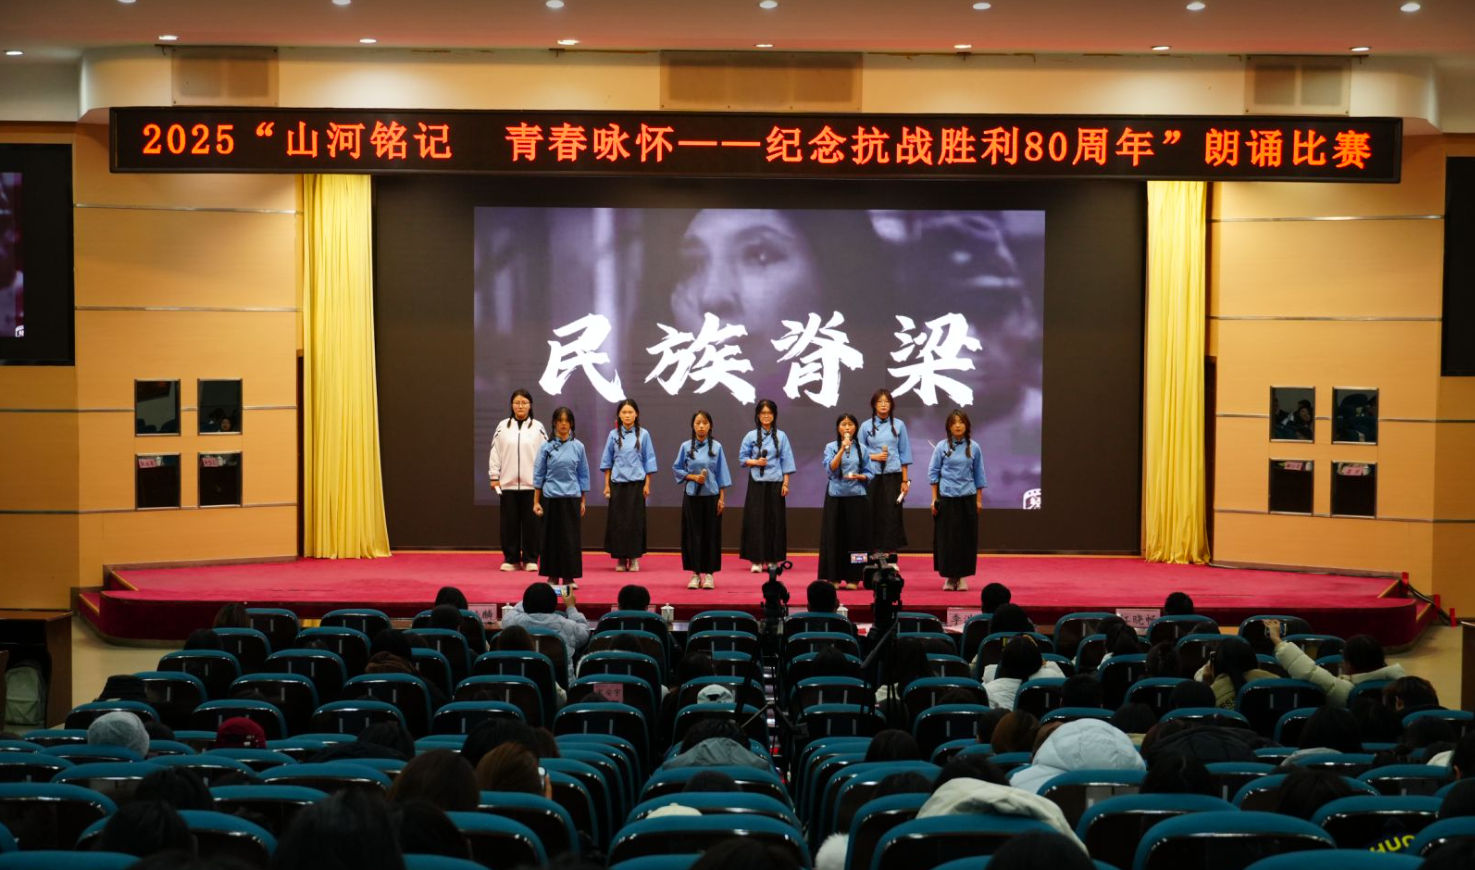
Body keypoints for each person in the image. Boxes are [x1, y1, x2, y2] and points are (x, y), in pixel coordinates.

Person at [1267, 620, 1406, 708]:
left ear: (1349, 665)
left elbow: (1308, 671)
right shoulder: (1404, 685)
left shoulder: (1345, 691)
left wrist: (1276, 638)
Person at [488, 388, 548, 573]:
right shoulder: (502, 427)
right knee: (509, 524)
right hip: (508, 485)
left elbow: (546, 454)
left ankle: (531, 558)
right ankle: (511, 558)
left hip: (532, 486)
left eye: (524, 403)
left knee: (533, 524)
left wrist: (544, 479)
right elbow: (495, 452)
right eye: (517, 403)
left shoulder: (538, 427)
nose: (520, 406)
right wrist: (494, 476)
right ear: (512, 405)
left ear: (530, 406)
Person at [672, 409, 732, 590]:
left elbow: (722, 474)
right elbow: (677, 469)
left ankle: (709, 574)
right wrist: (692, 477)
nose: (701, 426)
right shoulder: (685, 447)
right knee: (693, 535)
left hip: (712, 496)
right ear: (693, 425)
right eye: (698, 423)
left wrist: (722, 499)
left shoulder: (717, 447)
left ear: (710, 426)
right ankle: (695, 574)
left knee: (711, 535)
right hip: (692, 496)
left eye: (704, 423)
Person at [929, 408, 988, 591]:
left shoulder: (974, 447)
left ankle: (961, 577)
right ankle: (949, 577)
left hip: (967, 498)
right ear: (948, 426)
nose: (958, 426)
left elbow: (979, 474)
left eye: (961, 422)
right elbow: (933, 473)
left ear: (967, 425)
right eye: (954, 423)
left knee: (965, 539)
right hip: (947, 498)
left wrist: (978, 500)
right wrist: (934, 499)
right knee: (947, 539)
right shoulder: (941, 447)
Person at [532, 405, 589, 591]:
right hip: (550, 498)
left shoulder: (578, 447)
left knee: (570, 539)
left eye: (566, 421)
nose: (563, 424)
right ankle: (552, 576)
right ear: (554, 423)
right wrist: (536, 501)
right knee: (551, 539)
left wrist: (583, 500)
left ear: (571, 424)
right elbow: (539, 475)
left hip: (571, 498)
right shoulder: (546, 447)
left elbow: (583, 475)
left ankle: (569, 577)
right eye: (560, 421)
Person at [738, 398, 796, 574]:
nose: (766, 416)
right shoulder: (750, 436)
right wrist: (756, 462)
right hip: (757, 483)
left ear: (774, 415)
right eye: (763, 413)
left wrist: (786, 483)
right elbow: (742, 459)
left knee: (774, 521)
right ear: (758, 415)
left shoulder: (782, 436)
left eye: (769, 413)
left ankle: (772, 559)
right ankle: (756, 559)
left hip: (776, 483)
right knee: (756, 520)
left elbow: (787, 461)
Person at [600, 398, 658, 573]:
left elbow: (649, 460)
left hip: (636, 484)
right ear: (619, 415)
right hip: (617, 483)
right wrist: (606, 486)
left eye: (630, 412)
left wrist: (647, 484)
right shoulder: (613, 435)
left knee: (635, 522)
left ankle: (633, 558)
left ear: (636, 414)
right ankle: (620, 558)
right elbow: (607, 462)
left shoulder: (644, 434)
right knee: (618, 522)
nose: (627, 415)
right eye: (624, 412)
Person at [818, 413, 872, 590]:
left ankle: (854, 577)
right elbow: (830, 469)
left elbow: (870, 473)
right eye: (843, 424)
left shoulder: (862, 449)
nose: (847, 427)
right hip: (836, 497)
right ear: (838, 428)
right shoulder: (831, 447)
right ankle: (833, 576)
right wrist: (842, 449)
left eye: (850, 424)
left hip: (857, 497)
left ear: (855, 428)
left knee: (857, 538)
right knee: (834, 537)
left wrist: (860, 476)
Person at [500, 581, 588, 683]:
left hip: (523, 685)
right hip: (562, 686)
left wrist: (533, 598)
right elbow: (584, 632)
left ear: (525, 604)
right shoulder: (567, 626)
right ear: (554, 604)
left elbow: (511, 614)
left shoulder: (513, 623)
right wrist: (571, 607)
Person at [859, 388, 913, 557]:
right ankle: (872, 552)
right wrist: (874, 456)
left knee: (891, 513)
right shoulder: (865, 426)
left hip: (893, 475)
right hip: (871, 476)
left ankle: (890, 553)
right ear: (874, 405)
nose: (883, 405)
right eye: (880, 402)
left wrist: (904, 480)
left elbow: (904, 453)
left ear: (891, 405)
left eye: (887, 401)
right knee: (871, 511)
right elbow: (858, 453)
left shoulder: (899, 425)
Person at [1200, 635, 1276, 708]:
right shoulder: (1276, 682)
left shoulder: (1210, 696)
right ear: (1253, 659)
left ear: (1218, 664)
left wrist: (1207, 686)